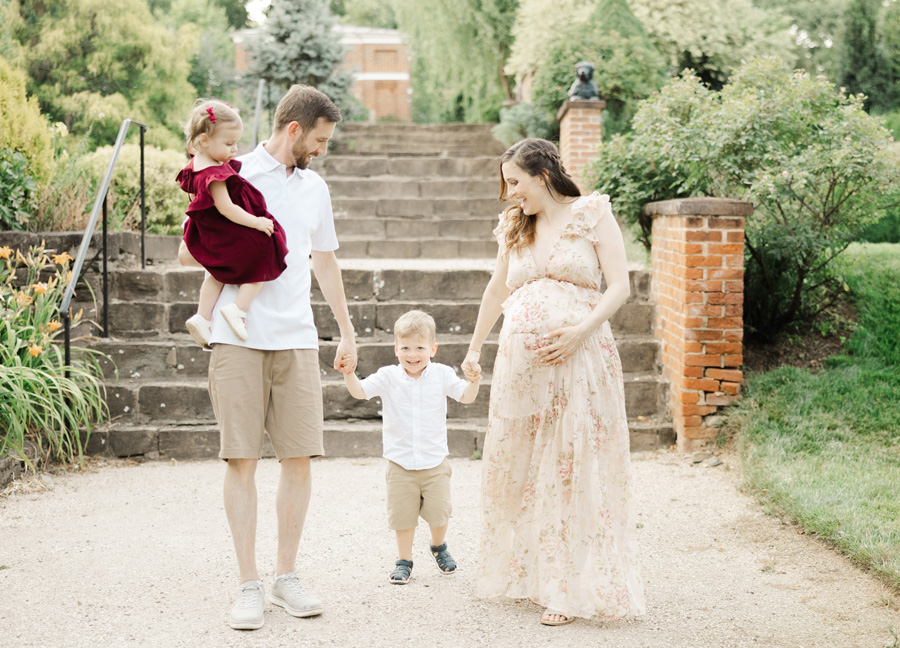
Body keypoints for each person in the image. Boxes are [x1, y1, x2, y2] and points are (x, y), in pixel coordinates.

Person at [178, 85, 357, 631]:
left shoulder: (315, 188)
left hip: (297, 338)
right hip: (238, 337)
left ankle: (286, 577)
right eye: (321, 139)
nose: (324, 148)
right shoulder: (231, 170)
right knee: (241, 460)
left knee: (299, 459)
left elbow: (324, 262)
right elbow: (188, 247)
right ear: (295, 130)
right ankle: (248, 584)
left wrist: (346, 331)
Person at [461, 138, 645, 626]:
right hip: (520, 368)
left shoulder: (591, 214)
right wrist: (475, 348)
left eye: (516, 182)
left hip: (580, 359)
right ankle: (537, 577)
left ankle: (565, 591)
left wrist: (580, 333)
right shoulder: (514, 226)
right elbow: (497, 289)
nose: (510, 193)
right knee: (524, 467)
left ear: (542, 174)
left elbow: (621, 286)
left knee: (571, 464)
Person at [340, 310, 480, 584]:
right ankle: (404, 560)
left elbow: (465, 396)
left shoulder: (441, 374)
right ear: (396, 349)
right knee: (403, 518)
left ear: (433, 348)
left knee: (439, 513)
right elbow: (360, 391)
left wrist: (473, 380)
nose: (412, 354)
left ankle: (438, 545)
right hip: (400, 462)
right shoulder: (388, 376)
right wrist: (349, 373)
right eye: (405, 347)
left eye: (419, 347)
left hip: (435, 461)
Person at [177, 99, 289, 347]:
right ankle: (238, 309)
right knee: (265, 253)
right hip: (225, 232)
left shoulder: (196, 165)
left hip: (209, 234)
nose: (235, 149)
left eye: (236, 143)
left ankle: (202, 317)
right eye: (228, 144)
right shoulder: (214, 175)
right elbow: (227, 209)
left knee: (217, 273)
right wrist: (257, 222)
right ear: (205, 140)